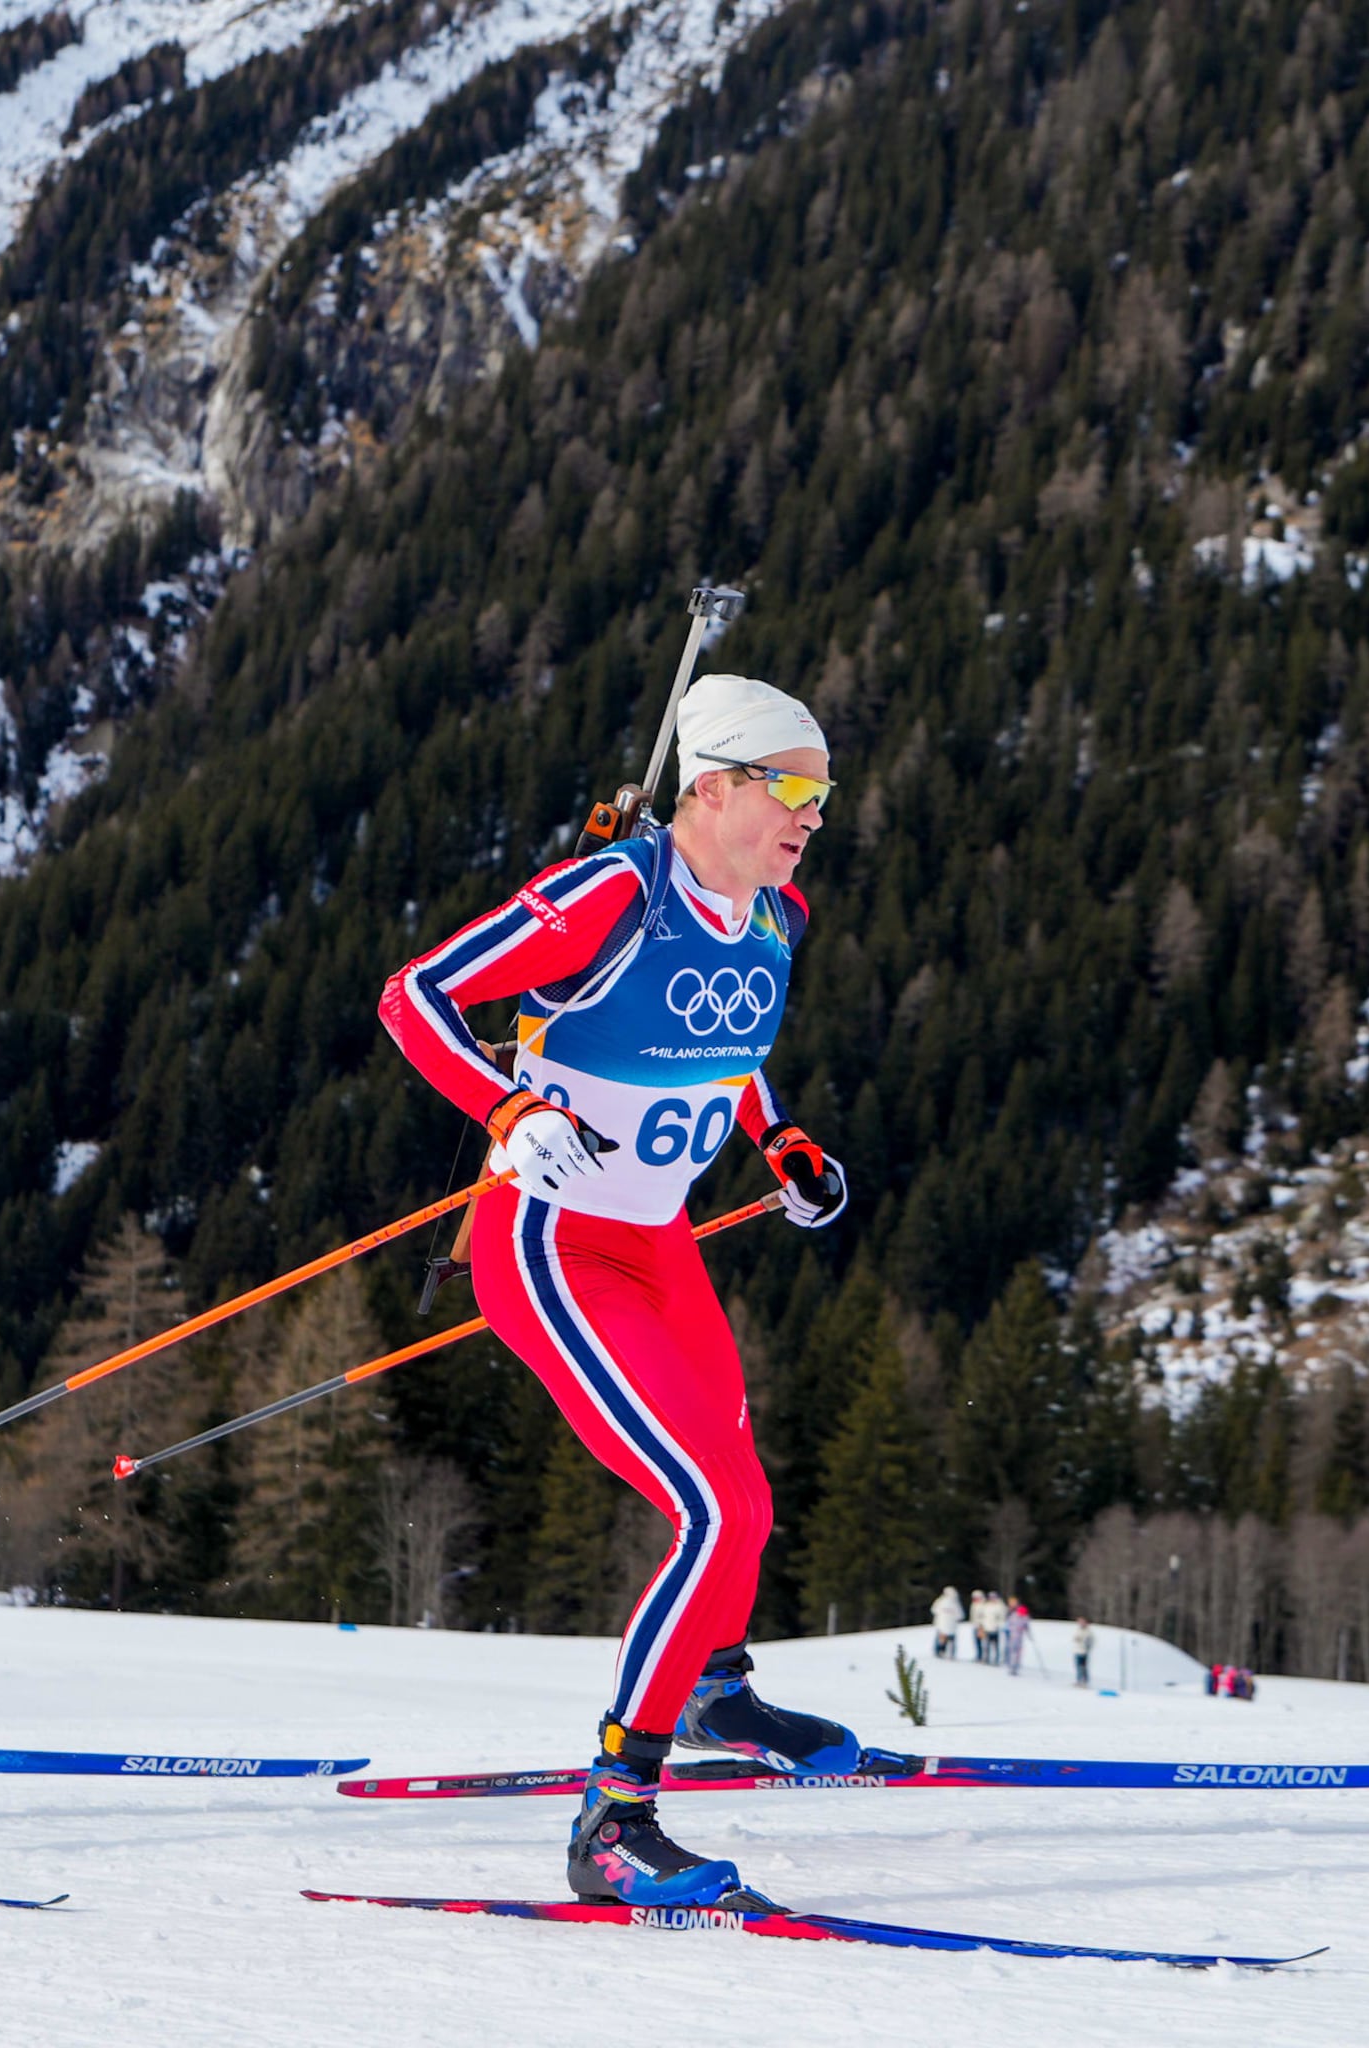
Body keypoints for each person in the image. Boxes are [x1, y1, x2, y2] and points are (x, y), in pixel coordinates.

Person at [382, 672, 857, 1910]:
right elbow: (415, 995)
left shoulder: (775, 914)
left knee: (741, 1500)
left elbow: (733, 1053)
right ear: (713, 784)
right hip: (548, 1240)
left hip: (660, 1240)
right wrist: (507, 1104)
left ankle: (714, 1686)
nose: (813, 811)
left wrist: (782, 1141)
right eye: (792, 786)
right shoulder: (613, 891)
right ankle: (614, 1815)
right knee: (708, 1505)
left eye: (823, 790)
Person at [931, 1584, 964, 1659]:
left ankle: (939, 1652)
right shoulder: (955, 1603)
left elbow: (933, 1610)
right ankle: (951, 1654)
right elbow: (960, 1615)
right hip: (951, 1627)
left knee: (941, 1640)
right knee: (951, 1641)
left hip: (941, 1625)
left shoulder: (940, 1601)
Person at [1004, 1599, 1030, 1677]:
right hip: (1012, 1636)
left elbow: (1027, 1627)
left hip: (1019, 1638)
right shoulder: (1013, 1616)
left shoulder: (1025, 1617)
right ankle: (1011, 1666)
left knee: (1018, 1652)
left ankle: (1016, 1666)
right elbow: (1008, 1626)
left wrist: (1028, 1633)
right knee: (1012, 1652)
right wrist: (1012, 1630)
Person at [1071, 1615, 1093, 1687]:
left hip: (1084, 1652)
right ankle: (1079, 1680)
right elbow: (1075, 1638)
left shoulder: (1088, 1631)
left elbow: (1089, 1641)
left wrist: (1086, 1646)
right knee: (1078, 1667)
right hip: (1077, 1651)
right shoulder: (1078, 1630)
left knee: (1083, 1667)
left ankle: (1084, 1681)